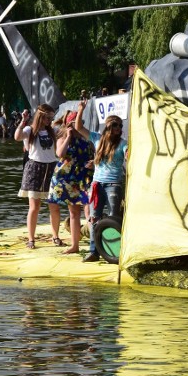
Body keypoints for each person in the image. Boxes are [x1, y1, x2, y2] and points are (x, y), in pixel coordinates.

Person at [75, 103, 128, 262]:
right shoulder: (97, 139)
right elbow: (79, 127)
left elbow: (127, 153)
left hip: (113, 184)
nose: (119, 128)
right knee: (94, 217)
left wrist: (128, 155)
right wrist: (81, 110)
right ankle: (94, 251)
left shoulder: (123, 143)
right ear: (108, 126)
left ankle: (113, 251)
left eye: (120, 125)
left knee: (113, 218)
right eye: (115, 125)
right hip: (97, 184)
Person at [14, 104, 61, 249]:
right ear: (41, 116)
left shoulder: (53, 131)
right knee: (34, 207)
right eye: (47, 117)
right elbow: (17, 137)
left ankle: (56, 237)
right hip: (35, 168)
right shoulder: (30, 130)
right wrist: (23, 121)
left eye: (51, 118)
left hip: (51, 168)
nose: (49, 120)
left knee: (54, 206)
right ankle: (31, 239)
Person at [48, 111, 95, 254]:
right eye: (76, 122)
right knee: (73, 211)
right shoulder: (63, 136)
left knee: (88, 208)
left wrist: (94, 162)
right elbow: (60, 154)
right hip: (66, 178)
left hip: (83, 176)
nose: (80, 125)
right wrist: (68, 136)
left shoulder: (86, 137)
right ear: (69, 123)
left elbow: (95, 153)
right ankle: (75, 245)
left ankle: (94, 242)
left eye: (81, 122)